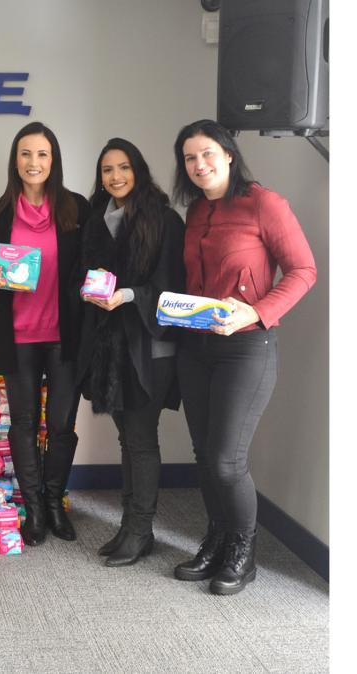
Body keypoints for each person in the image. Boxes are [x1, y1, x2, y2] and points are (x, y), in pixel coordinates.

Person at [171, 119, 316, 595]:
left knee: (226, 461)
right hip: (197, 347)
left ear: (229, 154)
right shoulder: (195, 212)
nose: (199, 165)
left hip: (248, 348)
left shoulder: (264, 203)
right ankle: (216, 540)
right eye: (190, 158)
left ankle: (242, 551)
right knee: (203, 454)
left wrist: (256, 311)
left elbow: (303, 270)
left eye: (207, 153)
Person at [0, 121, 90, 546]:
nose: (33, 162)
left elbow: (91, 265)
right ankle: (35, 510)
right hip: (19, 334)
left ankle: (55, 501)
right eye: (26, 153)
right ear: (15, 160)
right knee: (23, 423)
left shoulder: (76, 208)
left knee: (61, 425)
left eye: (42, 154)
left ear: (53, 160)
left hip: (64, 335)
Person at [76, 138, 186, 567]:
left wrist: (126, 295)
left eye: (123, 167)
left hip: (148, 348)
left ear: (138, 170)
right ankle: (131, 526)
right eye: (107, 170)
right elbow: (86, 274)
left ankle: (140, 530)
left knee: (140, 440)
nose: (116, 176)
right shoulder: (96, 219)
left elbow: (172, 288)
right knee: (128, 440)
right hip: (111, 348)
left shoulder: (164, 219)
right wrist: (89, 291)